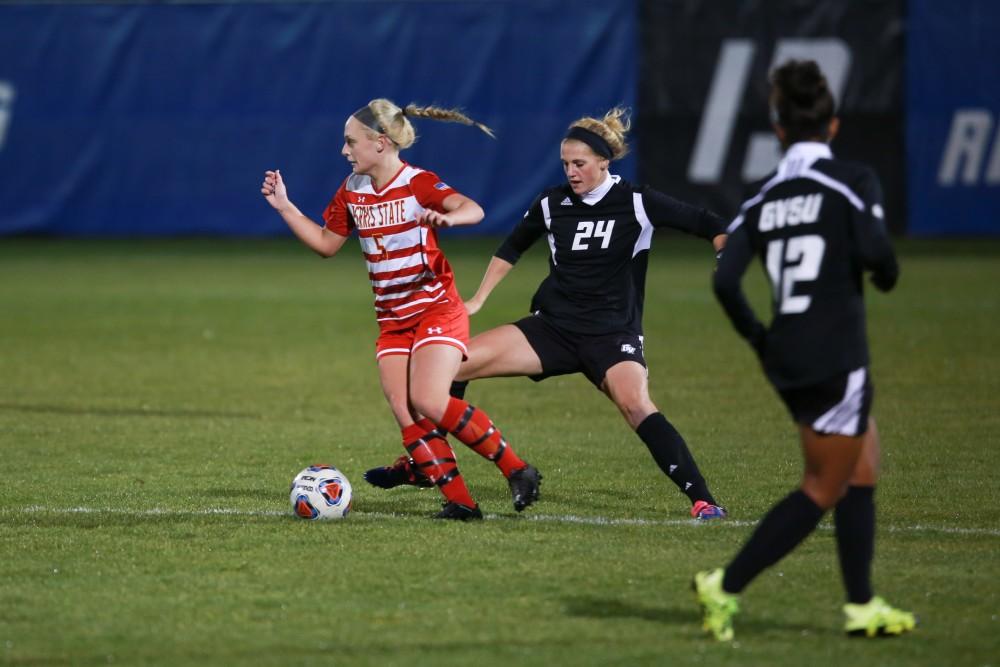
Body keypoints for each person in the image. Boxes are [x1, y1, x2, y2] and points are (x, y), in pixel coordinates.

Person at [366, 107, 728, 520]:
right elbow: (512, 248)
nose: (571, 172)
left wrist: (723, 246)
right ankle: (423, 465)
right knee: (453, 366)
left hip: (611, 334)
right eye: (565, 164)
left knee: (636, 405)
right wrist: (480, 298)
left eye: (580, 164)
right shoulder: (553, 203)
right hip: (551, 329)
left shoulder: (637, 202)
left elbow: (706, 220)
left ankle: (703, 499)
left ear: (603, 163)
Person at [693, 60, 916, 640]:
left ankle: (862, 605)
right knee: (823, 485)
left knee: (861, 464)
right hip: (835, 353)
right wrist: (885, 272)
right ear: (833, 127)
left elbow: (724, 281)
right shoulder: (851, 180)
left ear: (779, 129)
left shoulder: (764, 197)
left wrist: (761, 340)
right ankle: (726, 585)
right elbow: (879, 256)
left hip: (787, 351)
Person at [261, 99, 541, 521]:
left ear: (381, 142)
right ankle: (462, 503)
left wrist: (452, 219)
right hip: (393, 319)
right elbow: (326, 244)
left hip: (436, 309)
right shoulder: (352, 189)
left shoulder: (417, 182)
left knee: (427, 399)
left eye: (350, 141)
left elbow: (473, 208)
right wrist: (285, 207)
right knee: (403, 408)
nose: (344, 150)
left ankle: (518, 470)